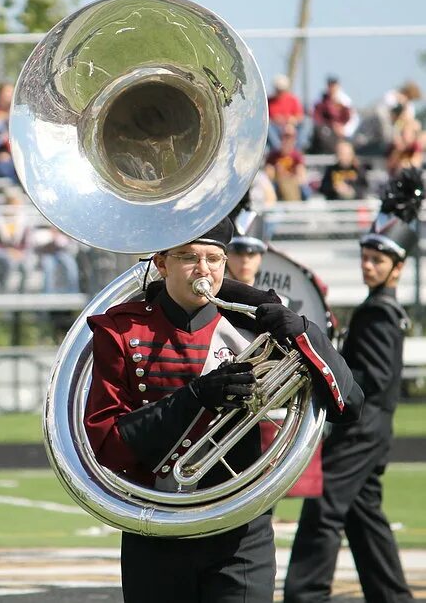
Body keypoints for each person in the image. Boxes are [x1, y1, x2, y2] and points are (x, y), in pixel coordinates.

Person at [83, 217, 363, 603]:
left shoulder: (252, 327)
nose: (204, 270)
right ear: (161, 263)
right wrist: (195, 396)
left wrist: (305, 332)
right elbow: (107, 447)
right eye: (188, 258)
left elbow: (350, 405)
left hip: (241, 534)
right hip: (157, 531)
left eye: (215, 259)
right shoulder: (122, 330)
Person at [283, 170, 422, 603]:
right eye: (365, 255)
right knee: (364, 516)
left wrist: (328, 372)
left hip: (362, 427)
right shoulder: (377, 308)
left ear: (397, 268)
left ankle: (305, 594)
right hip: (373, 428)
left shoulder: (380, 313)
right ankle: (392, 595)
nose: (368, 264)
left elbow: (376, 382)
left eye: (378, 260)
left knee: (324, 510)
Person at [226, 209, 268, 286]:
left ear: (261, 257)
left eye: (252, 254)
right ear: (225, 256)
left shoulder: (276, 298)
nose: (245, 260)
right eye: (238, 253)